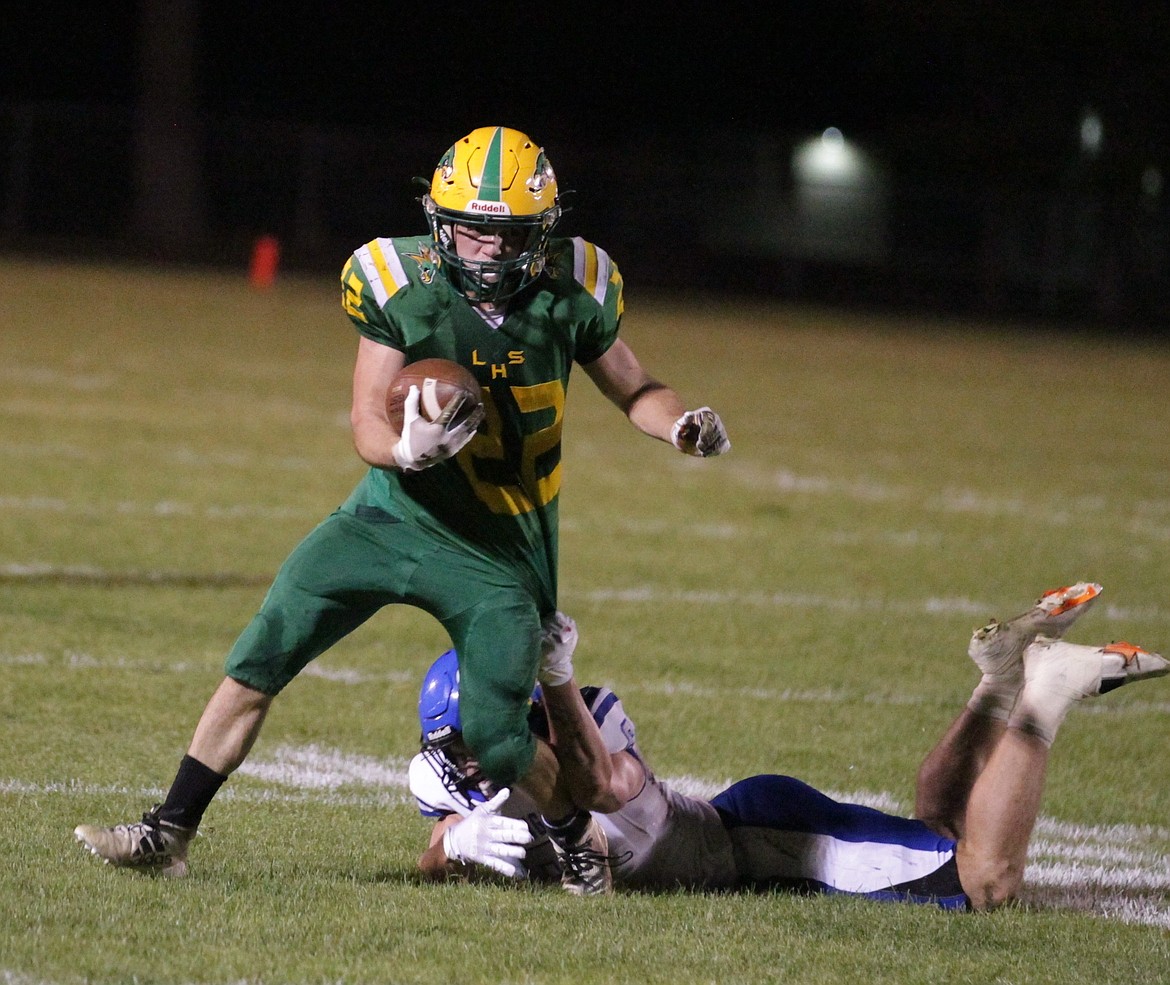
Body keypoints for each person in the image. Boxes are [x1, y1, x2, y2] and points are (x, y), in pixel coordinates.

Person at [73, 125, 730, 883]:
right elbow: (364, 420)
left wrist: (679, 424)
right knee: (264, 648)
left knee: (498, 734)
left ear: (540, 233)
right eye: (467, 229)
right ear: (438, 221)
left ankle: (575, 835)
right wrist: (405, 450)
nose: (482, 248)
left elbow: (639, 390)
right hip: (391, 515)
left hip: (500, 550)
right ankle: (170, 831)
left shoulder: (574, 287)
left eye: (502, 234)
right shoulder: (397, 281)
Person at [409, 582, 1168, 909]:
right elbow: (436, 844)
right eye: (462, 749)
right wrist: (451, 847)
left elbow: (603, 791)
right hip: (752, 836)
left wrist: (560, 674)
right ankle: (998, 685)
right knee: (938, 828)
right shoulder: (450, 786)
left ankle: (1043, 696)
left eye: (486, 737)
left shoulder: (588, 726)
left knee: (987, 880)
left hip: (768, 839)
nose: (477, 763)